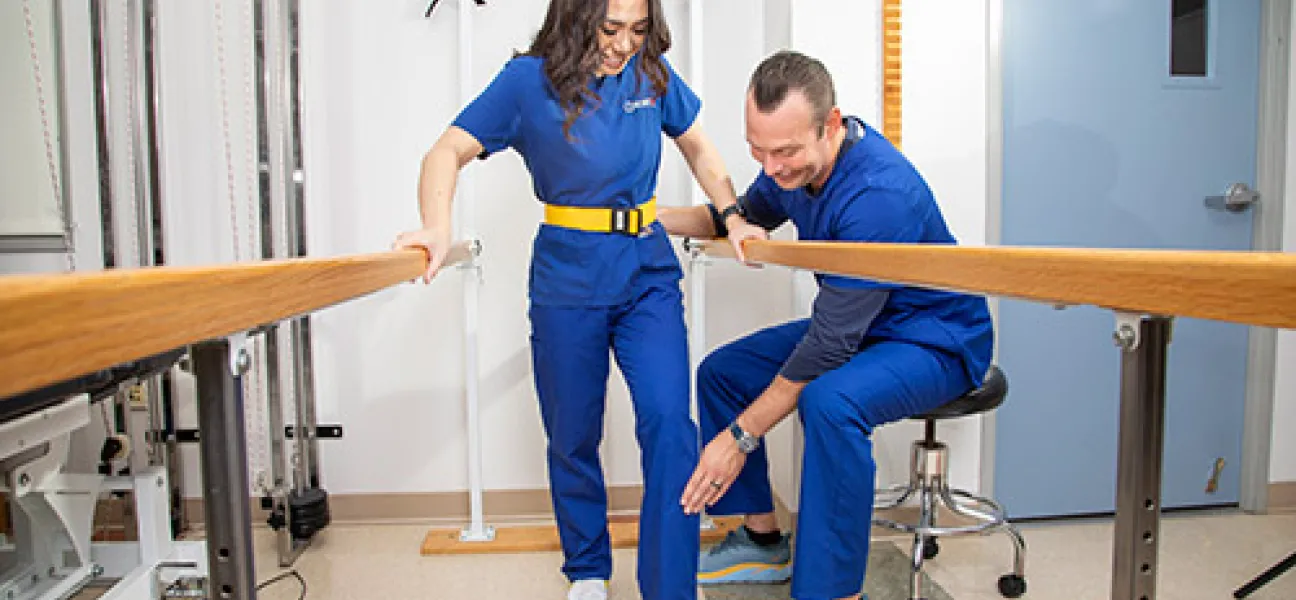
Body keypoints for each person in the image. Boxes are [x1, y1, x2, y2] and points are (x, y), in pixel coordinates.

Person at [393, 1, 763, 599]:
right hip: (567, 277)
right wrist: (436, 226)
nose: (624, 45)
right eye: (610, 29)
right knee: (572, 433)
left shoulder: (652, 74)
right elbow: (445, 152)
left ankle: (670, 585)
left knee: (671, 422)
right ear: (574, 18)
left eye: (639, 30)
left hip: (646, 270)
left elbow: (700, 149)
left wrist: (733, 216)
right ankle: (588, 570)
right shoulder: (525, 83)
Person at [658, 50, 994, 600]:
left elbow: (830, 345)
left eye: (785, 152)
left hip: (936, 338)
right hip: (869, 327)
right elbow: (736, 212)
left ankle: (834, 590)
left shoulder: (878, 195)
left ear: (830, 124)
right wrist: (646, 218)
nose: (772, 169)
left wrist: (739, 437)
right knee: (723, 372)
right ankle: (762, 541)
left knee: (830, 402)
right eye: (758, 152)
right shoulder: (790, 169)